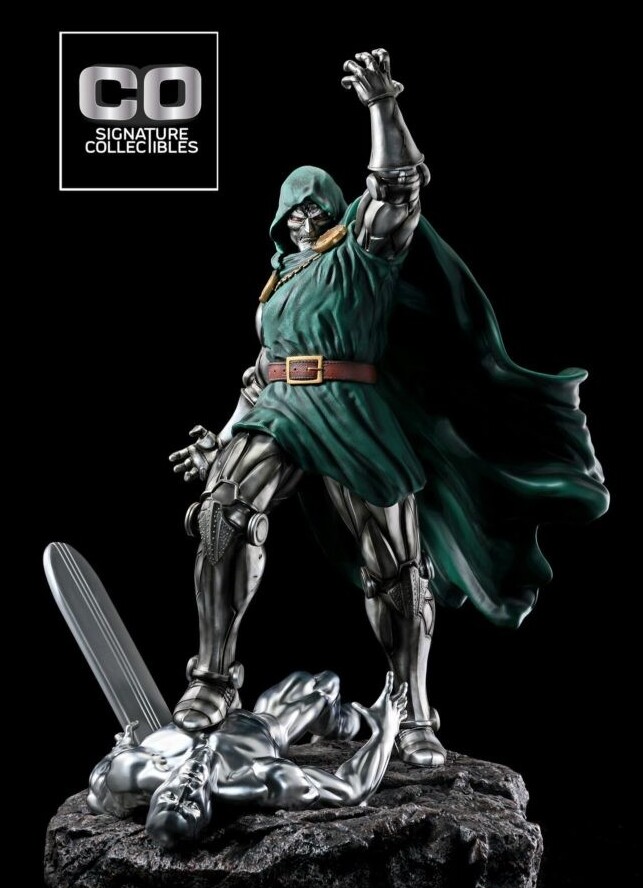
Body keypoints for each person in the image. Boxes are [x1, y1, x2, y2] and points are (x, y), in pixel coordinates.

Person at [168, 49, 609, 767]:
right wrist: (219, 443)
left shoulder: (361, 252)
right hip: (279, 405)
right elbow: (259, 375)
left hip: (349, 406)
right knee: (223, 511)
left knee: (399, 569)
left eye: (314, 203)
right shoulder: (277, 286)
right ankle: (212, 680)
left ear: (331, 208)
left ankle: (411, 708)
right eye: (291, 209)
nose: (302, 215)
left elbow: (397, 189)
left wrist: (381, 105)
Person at [88, 671, 407, 848]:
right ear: (207, 814)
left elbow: (97, 790)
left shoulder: (128, 773)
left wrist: (122, 746)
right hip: (266, 721)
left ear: (154, 798)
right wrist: (385, 732)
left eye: (170, 798)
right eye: (191, 806)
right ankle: (341, 723)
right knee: (323, 684)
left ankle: (337, 722)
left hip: (209, 702)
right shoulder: (255, 781)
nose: (185, 790)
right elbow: (350, 791)